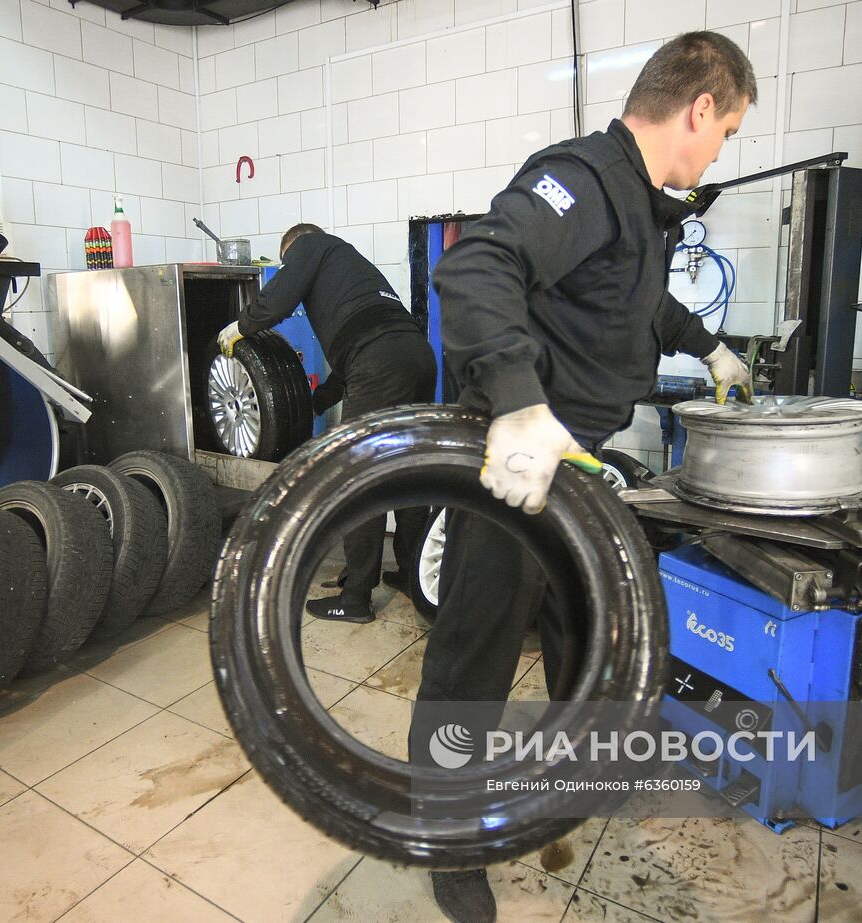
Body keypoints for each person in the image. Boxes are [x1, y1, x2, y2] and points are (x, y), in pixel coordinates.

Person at [407, 32, 757, 923]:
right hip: (516, 459)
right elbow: (474, 267)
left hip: (579, 464)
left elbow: (635, 298)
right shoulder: (585, 179)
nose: (722, 151)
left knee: (583, 625)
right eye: (728, 131)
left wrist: (706, 342)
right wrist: (520, 402)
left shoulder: (637, 205)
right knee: (476, 657)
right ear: (700, 106)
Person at [218, 224, 437, 624]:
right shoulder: (352, 269)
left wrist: (241, 327)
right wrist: (316, 402)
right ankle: (409, 572)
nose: (290, 267)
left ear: (293, 247)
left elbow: (279, 299)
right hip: (416, 356)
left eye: (288, 261)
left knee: (358, 482)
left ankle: (355, 598)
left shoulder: (311, 244)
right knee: (408, 473)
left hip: (381, 361)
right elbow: (355, 358)